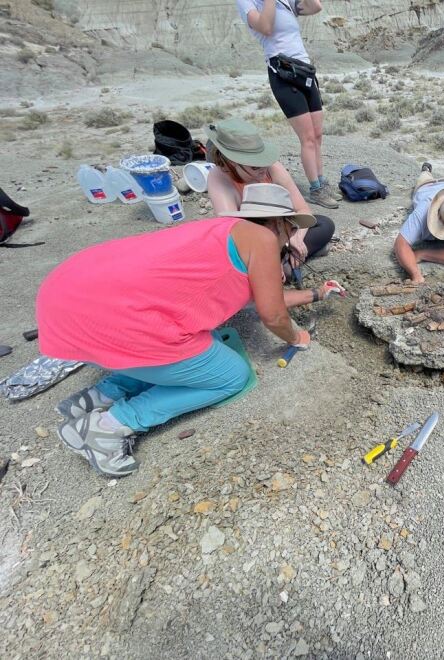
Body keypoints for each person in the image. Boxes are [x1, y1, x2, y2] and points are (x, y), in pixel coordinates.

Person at [36, 184, 342, 478]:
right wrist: (297, 337)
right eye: (290, 231)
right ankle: (107, 426)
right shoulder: (262, 239)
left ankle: (98, 396)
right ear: (277, 223)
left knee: (189, 339)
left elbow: (263, 299)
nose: (289, 241)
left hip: (67, 301)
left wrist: (316, 293)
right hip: (112, 322)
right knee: (231, 375)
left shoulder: (224, 232)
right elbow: (272, 314)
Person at [236, 0, 340, 209]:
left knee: (318, 134)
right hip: (282, 72)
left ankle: (322, 181)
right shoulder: (247, 3)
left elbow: (315, 7)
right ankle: (315, 189)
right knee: (308, 137)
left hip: (304, 69)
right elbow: (265, 27)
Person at [206, 118, 335, 284]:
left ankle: (288, 261)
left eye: (264, 163)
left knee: (325, 224)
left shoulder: (272, 167)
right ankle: (286, 264)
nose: (262, 170)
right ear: (231, 163)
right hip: (252, 241)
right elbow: (234, 235)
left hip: (283, 231)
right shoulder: (219, 178)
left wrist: (295, 238)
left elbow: (303, 209)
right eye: (254, 167)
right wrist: (271, 256)